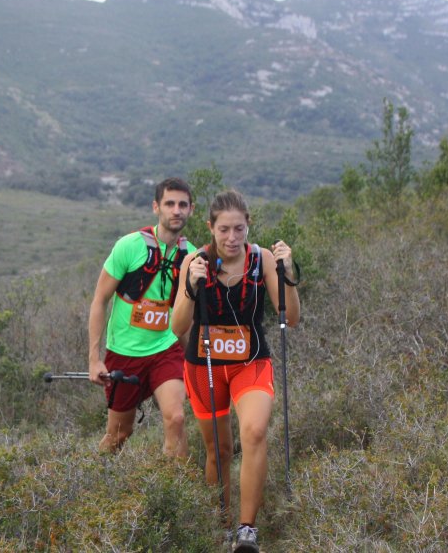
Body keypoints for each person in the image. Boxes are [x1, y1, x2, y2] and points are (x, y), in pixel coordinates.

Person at [172, 189, 300, 553]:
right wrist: (190, 287)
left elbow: (290, 317)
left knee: (255, 432)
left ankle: (247, 531)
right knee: (220, 451)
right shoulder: (193, 261)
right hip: (204, 364)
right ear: (210, 228)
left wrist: (287, 273)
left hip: (250, 361)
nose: (232, 238)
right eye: (224, 230)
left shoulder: (262, 259)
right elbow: (177, 327)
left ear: (249, 226)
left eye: (239, 229)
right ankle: (221, 524)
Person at [87, 177, 195, 457]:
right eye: (169, 204)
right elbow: (100, 301)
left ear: (191, 210)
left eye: (183, 205)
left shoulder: (192, 257)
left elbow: (186, 317)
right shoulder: (129, 246)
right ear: (155, 207)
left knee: (177, 418)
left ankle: (175, 493)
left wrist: (195, 361)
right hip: (124, 353)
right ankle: (91, 482)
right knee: (120, 434)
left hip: (165, 349)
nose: (176, 210)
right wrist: (94, 359)